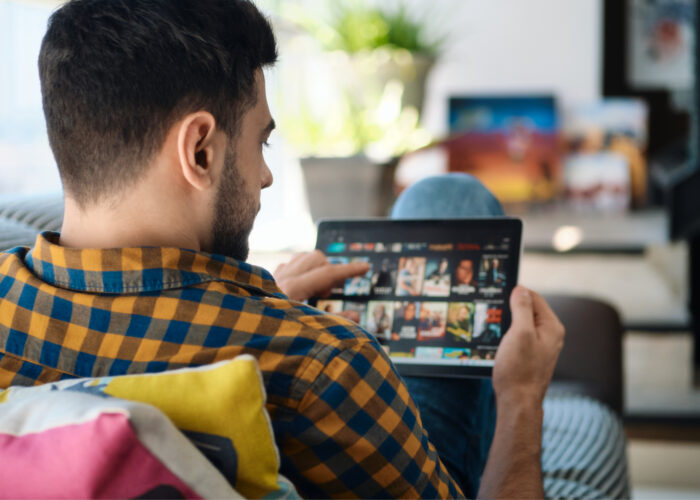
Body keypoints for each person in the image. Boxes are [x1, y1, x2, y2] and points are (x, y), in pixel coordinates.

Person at [0, 1, 565, 498]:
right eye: (260, 141)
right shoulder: (324, 363)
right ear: (198, 150)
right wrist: (521, 395)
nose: (266, 176)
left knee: (443, 197)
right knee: (451, 198)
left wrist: (270, 303)